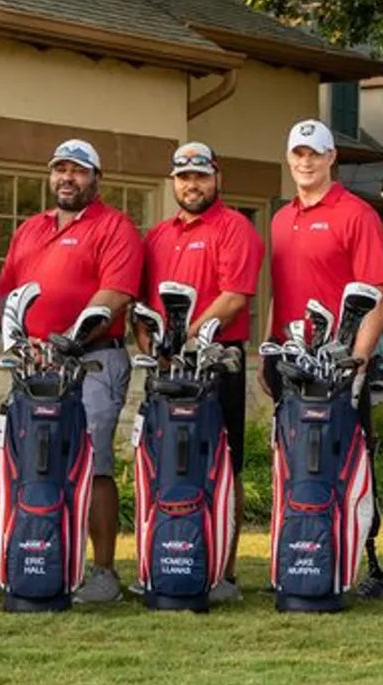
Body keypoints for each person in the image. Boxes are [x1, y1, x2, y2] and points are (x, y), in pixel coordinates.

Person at [0, 139, 144, 603]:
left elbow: (116, 292)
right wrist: (21, 344)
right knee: (37, 463)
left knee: (93, 459)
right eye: (60, 169)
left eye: (78, 171)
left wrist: (70, 337)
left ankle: (102, 573)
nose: (67, 178)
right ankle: (45, 556)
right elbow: (8, 292)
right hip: (35, 365)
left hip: (93, 360)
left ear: (96, 179)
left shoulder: (114, 226)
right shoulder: (30, 229)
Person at [263, 119, 383, 597]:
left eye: (314, 154)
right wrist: (269, 346)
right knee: (296, 460)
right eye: (298, 154)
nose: (306, 162)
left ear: (331, 158)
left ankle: (368, 562)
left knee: (349, 457)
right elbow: (280, 291)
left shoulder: (356, 214)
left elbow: (378, 294)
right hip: (292, 360)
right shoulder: (281, 218)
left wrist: (358, 364)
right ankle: (303, 552)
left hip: (340, 360)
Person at [138, 142, 263, 603]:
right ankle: (168, 557)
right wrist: (153, 342)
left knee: (222, 463)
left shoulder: (235, 229)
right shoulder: (157, 235)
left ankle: (223, 572)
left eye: (201, 176)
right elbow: (142, 303)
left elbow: (233, 297)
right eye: (184, 177)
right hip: (166, 364)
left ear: (217, 178)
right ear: (174, 181)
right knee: (163, 462)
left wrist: (185, 339)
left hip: (217, 359)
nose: (192, 185)